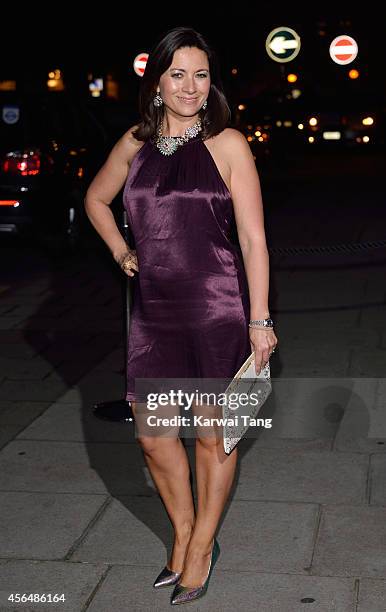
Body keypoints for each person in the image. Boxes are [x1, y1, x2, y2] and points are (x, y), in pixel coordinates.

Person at [84, 25, 278, 605]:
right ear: (157, 82)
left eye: (201, 74)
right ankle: (185, 528)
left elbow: (253, 238)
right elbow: (96, 200)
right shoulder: (134, 144)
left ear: (211, 83)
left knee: (212, 439)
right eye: (178, 73)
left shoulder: (228, 144)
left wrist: (260, 319)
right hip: (155, 313)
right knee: (154, 438)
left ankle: (198, 549)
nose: (191, 86)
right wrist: (122, 252)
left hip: (217, 308)